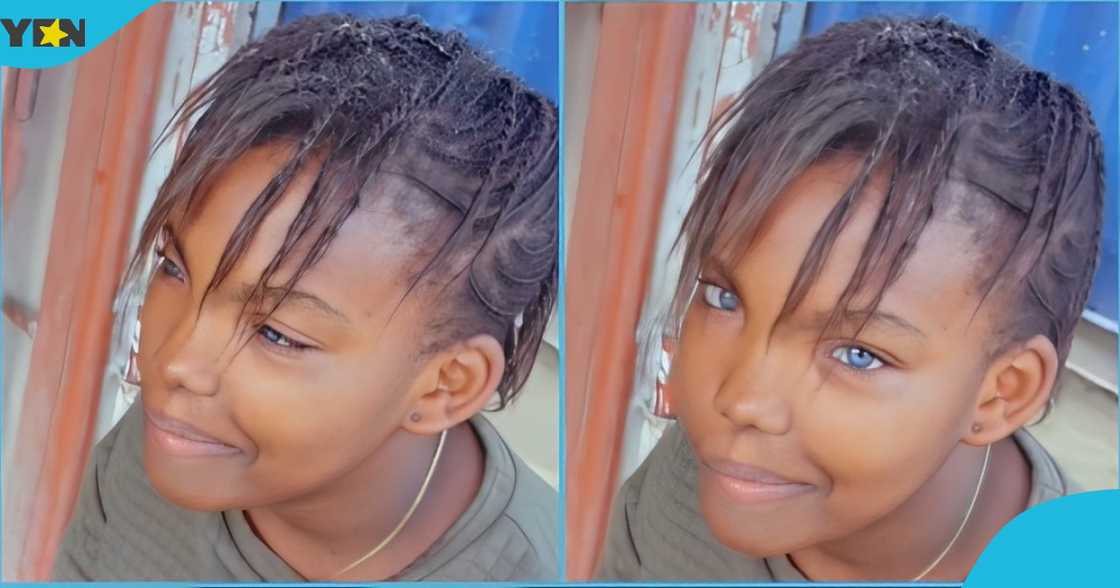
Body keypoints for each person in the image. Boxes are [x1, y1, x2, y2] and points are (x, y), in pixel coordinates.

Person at [54, 14, 558, 582]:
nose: (175, 364)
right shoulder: (175, 445)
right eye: (174, 269)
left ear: (447, 384)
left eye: (277, 333)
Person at [598, 16, 1102, 582]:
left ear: (1001, 393)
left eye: (858, 354)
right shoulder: (711, 475)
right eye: (723, 298)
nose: (742, 401)